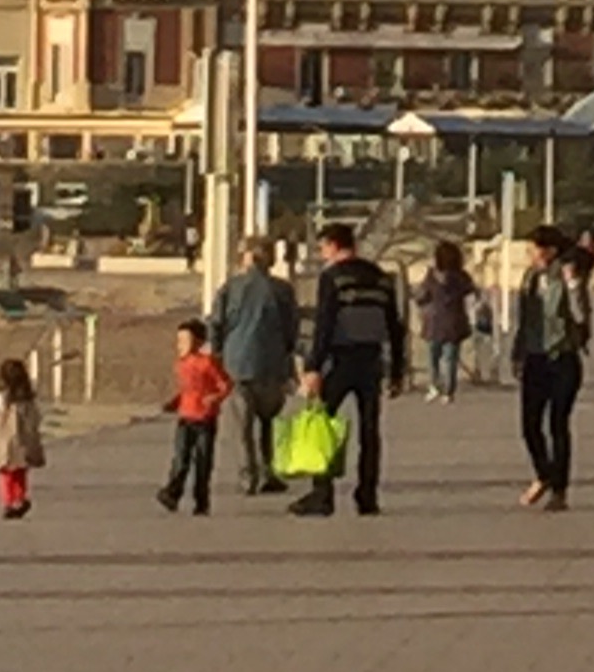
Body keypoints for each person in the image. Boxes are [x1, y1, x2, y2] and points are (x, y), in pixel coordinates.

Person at [291, 221, 408, 518]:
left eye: (323, 248)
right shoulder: (380, 277)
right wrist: (397, 370)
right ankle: (367, 495)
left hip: (340, 359)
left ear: (333, 245)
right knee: (370, 431)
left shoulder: (333, 278)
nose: (322, 254)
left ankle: (323, 493)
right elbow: (395, 325)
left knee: (323, 424)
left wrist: (313, 366)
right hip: (371, 359)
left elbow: (325, 323)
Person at [207, 236, 299, 497]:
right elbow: (291, 328)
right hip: (272, 363)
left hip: (237, 363)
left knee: (242, 425)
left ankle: (248, 475)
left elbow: (216, 324)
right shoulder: (282, 290)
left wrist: (217, 354)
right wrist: (288, 356)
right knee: (269, 421)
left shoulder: (231, 288)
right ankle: (269, 470)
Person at [513, 226, 591, 509]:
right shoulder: (530, 278)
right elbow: (524, 320)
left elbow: (581, 316)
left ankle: (560, 490)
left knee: (558, 423)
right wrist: (517, 354)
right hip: (535, 358)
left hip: (563, 357)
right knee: (529, 425)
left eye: (533, 248)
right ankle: (544, 473)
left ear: (550, 251)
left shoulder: (567, 275)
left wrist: (574, 286)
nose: (530, 253)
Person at [158, 319, 231, 516]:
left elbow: (225, 385)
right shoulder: (181, 365)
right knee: (180, 459)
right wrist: (174, 403)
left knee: (203, 462)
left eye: (185, 341)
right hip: (185, 417)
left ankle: (201, 501)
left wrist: (215, 398)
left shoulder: (207, 363)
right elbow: (186, 390)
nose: (180, 346)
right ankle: (172, 494)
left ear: (199, 342)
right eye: (178, 341)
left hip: (205, 419)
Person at [415, 240, 477, 402]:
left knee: (433, 357)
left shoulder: (431, 276)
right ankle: (448, 391)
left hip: (433, 322)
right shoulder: (462, 277)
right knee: (450, 359)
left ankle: (434, 385)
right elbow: (472, 295)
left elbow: (421, 296)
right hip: (455, 322)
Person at [0, 358, 44, 520]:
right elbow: (36, 417)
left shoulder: (0, 398)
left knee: (5, 473)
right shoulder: (28, 400)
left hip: (3, 441)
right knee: (20, 472)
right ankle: (20, 498)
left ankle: (8, 501)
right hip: (23, 441)